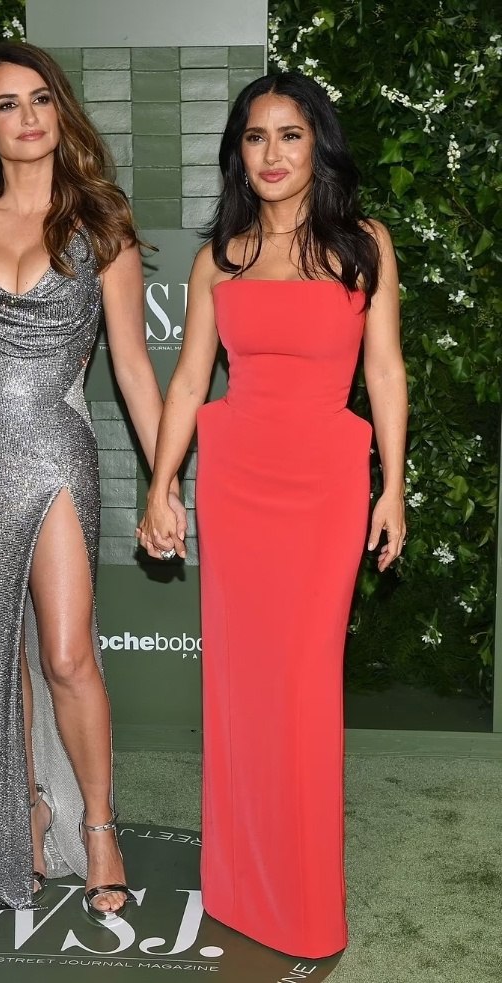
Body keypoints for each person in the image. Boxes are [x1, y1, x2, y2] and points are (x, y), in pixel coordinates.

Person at [0, 41, 183, 919]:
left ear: (60, 111)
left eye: (40, 99)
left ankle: (98, 827)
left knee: (65, 652)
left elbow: (132, 368)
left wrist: (164, 481)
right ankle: (19, 814)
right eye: (6, 105)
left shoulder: (102, 226)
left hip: (55, 449)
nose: (27, 118)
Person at [137, 73, 407, 957]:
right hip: (238, 481)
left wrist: (393, 485)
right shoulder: (221, 257)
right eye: (255, 137)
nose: (272, 153)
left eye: (290, 135)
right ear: (238, 154)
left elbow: (385, 370)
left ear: (317, 144)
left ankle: (304, 899)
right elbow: (189, 380)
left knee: (304, 686)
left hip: (326, 484)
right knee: (243, 689)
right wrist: (162, 483)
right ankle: (242, 884)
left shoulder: (364, 245)